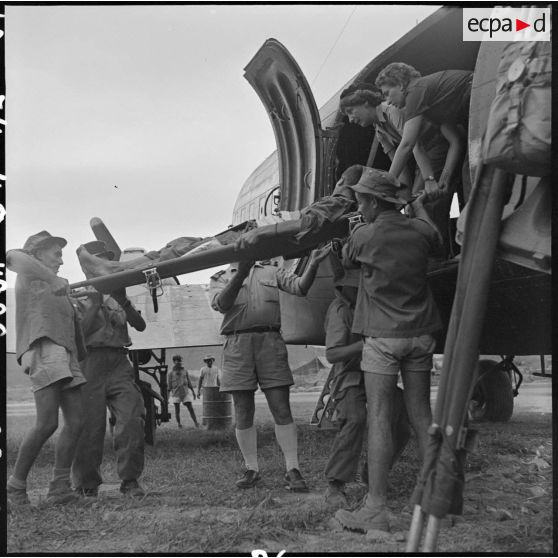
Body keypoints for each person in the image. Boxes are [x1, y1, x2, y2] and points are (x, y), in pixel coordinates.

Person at [333, 168, 442, 533]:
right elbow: (437, 242)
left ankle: (376, 508)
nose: (359, 206)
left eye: (362, 200)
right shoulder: (420, 230)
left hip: (382, 336)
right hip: (421, 333)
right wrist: (420, 208)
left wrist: (357, 228)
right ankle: (437, 501)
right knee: (421, 415)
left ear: (375, 202)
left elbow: (347, 259)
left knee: (379, 417)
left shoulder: (364, 234)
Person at [209, 247, 330, 491]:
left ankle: (292, 469)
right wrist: (240, 273)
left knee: (280, 406)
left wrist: (314, 264)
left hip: (270, 340)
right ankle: (251, 468)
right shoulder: (220, 277)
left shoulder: (273, 271)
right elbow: (222, 304)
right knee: (243, 409)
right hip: (237, 342)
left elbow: (300, 287)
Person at [6, 231, 87, 506]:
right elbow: (11, 256)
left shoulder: (59, 286)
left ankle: (60, 488)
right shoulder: (30, 273)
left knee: (76, 421)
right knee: (47, 422)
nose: (61, 261)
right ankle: (15, 487)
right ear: (37, 253)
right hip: (45, 347)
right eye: (56, 253)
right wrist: (52, 279)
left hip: (66, 353)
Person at [323, 267, 410, 509]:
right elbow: (333, 354)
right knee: (355, 418)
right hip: (351, 376)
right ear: (347, 288)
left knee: (402, 420)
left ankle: (374, 475)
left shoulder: (373, 307)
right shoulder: (340, 310)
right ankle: (335, 484)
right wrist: (367, 344)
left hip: (378, 372)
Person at [71, 241, 147, 499]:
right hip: (89, 362)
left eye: (107, 259)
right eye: (99, 260)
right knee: (89, 427)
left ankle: (130, 480)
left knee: (132, 419)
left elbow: (140, 325)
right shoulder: (76, 293)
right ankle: (86, 484)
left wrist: (123, 301)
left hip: (118, 362)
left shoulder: (118, 293)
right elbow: (78, 335)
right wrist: (93, 303)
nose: (104, 265)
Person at [339, 83, 452, 255]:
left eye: (351, 111)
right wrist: (400, 199)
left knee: (427, 205)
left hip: (434, 147)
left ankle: (439, 255)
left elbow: (410, 145)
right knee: (413, 206)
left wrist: (379, 191)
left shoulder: (392, 110)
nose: (351, 119)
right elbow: (401, 171)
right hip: (421, 159)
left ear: (366, 103)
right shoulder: (380, 131)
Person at [375, 63, 473, 204]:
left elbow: (408, 144)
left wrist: (384, 187)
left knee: (472, 173)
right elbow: (456, 141)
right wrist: (445, 178)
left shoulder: (415, 91)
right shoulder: (430, 108)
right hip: (474, 101)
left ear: (400, 85)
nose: (388, 102)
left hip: (476, 94)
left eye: (387, 94)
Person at [168, 354, 199, 428]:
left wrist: (193, 393)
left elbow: (189, 382)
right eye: (177, 361)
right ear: (174, 362)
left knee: (190, 408)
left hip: (185, 393)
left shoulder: (185, 371)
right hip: (176, 394)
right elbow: (169, 386)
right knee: (177, 410)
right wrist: (167, 398)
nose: (179, 362)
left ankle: (196, 423)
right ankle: (179, 424)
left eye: (180, 361)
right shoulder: (170, 373)